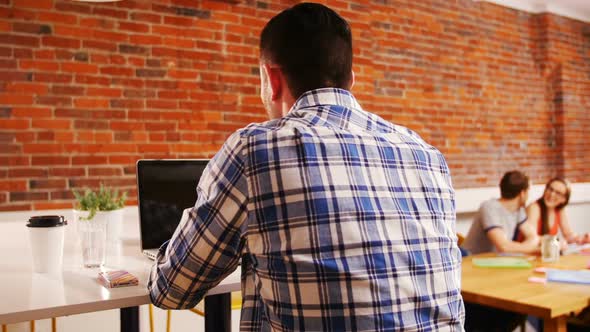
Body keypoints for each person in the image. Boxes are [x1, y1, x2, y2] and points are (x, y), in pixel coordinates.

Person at [148, 3, 464, 331]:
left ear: (271, 78)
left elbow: (172, 290)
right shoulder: (426, 154)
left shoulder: (255, 149)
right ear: (350, 80)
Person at [462, 170, 540, 255]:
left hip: (494, 261)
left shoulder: (519, 210)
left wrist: (523, 247)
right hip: (469, 258)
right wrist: (532, 248)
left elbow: (533, 236)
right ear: (522, 193)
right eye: (528, 190)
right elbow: (504, 246)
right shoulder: (489, 207)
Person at [526, 177, 590, 246]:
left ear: (564, 199)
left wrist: (582, 238)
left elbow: (568, 235)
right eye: (550, 189)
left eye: (558, 193)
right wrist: (556, 241)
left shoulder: (559, 210)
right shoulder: (534, 207)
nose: (552, 194)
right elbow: (532, 238)